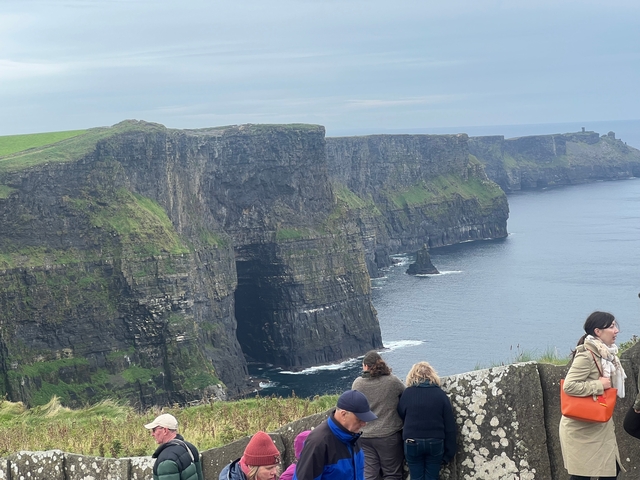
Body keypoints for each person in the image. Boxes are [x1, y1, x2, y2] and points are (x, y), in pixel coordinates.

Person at [559, 311, 626, 480]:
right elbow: (569, 386)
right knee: (583, 475)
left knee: (610, 470)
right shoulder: (587, 355)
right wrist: (599, 385)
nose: (616, 330)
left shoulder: (605, 354)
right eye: (611, 326)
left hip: (596, 426)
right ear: (597, 331)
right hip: (582, 429)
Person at [293, 389, 377, 480]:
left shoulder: (353, 436)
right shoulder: (317, 443)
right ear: (344, 414)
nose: (364, 423)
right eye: (359, 419)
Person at [397, 362, 457, 480]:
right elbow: (450, 426)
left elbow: (401, 413)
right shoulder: (440, 394)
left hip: (412, 441)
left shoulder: (407, 393)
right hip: (435, 441)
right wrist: (449, 452)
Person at [351, 350, 405, 480]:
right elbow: (406, 394)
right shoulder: (392, 381)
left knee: (370, 474)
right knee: (392, 474)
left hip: (365, 435)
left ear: (366, 366)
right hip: (388, 434)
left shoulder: (357, 384)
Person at [145, 413, 203, 480]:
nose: (152, 434)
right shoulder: (190, 447)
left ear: (165, 430)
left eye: (154, 430)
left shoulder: (166, 460)